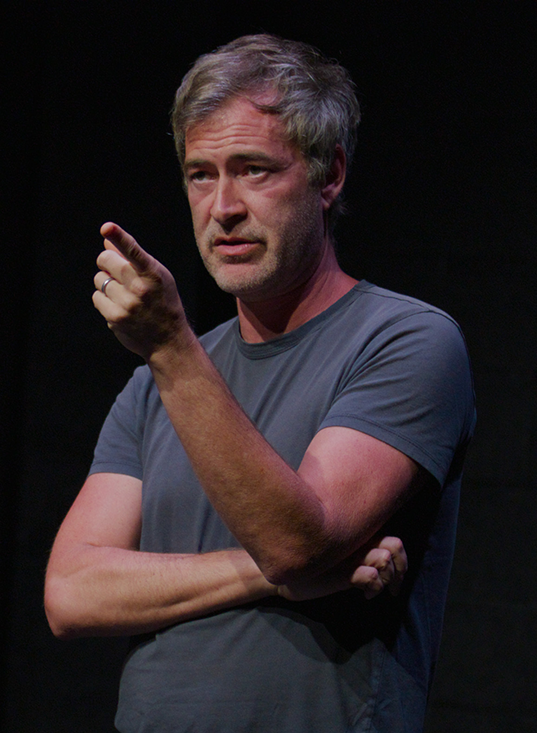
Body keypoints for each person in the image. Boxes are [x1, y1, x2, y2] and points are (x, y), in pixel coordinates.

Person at [44, 34, 475, 732]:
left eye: (253, 169)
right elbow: (71, 591)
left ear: (329, 174)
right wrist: (266, 574)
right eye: (200, 174)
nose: (223, 206)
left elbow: (298, 541)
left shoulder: (407, 341)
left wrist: (171, 346)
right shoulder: (155, 383)